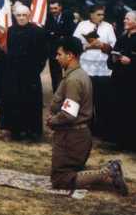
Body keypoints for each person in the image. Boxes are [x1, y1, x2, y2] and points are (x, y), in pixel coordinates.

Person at [48, 36, 128, 195]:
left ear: (70, 55)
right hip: (75, 136)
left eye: (59, 54)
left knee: (60, 180)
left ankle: (108, 172)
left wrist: (53, 120)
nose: (56, 58)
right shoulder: (78, 75)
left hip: (72, 137)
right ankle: (108, 178)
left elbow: (69, 114)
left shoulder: (74, 80)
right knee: (63, 174)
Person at [0, 4, 47, 141]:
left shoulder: (38, 32)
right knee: (12, 101)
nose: (21, 18)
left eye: (24, 15)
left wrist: (37, 69)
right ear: (15, 16)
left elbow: (43, 54)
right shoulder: (10, 31)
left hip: (31, 74)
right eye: (18, 15)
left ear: (29, 16)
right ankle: (11, 130)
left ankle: (31, 132)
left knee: (30, 102)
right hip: (12, 73)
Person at [73, 4, 116, 140]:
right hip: (86, 67)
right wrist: (87, 45)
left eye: (103, 15)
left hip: (103, 69)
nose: (101, 17)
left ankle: (102, 131)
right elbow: (74, 44)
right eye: (98, 14)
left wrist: (103, 45)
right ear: (91, 14)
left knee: (102, 100)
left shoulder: (108, 27)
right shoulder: (82, 26)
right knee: (86, 99)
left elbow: (114, 46)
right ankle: (85, 128)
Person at [107, 10, 136, 151]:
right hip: (118, 80)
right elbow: (113, 55)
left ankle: (130, 143)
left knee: (130, 111)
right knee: (118, 109)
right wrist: (113, 58)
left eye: (127, 19)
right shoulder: (122, 37)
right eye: (124, 18)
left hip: (132, 83)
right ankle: (119, 141)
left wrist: (131, 61)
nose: (124, 21)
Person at [44, 0, 76, 93]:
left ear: (60, 7)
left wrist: (54, 33)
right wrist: (59, 34)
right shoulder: (47, 17)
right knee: (55, 75)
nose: (53, 11)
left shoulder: (68, 16)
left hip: (66, 50)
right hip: (53, 51)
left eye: (55, 8)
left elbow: (70, 32)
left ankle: (69, 94)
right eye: (51, 9)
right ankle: (57, 96)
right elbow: (47, 33)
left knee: (69, 73)